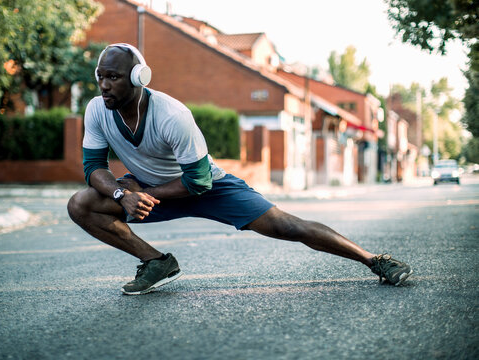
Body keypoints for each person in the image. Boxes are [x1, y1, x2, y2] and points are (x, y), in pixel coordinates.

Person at [67, 43, 413, 295]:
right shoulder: (98, 110)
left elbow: (199, 181)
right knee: (81, 203)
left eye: (112, 77)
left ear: (138, 78)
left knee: (286, 226)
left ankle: (374, 260)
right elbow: (93, 168)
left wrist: (142, 195)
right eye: (100, 76)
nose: (104, 85)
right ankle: (156, 262)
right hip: (149, 191)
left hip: (206, 188)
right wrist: (121, 193)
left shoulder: (172, 115)